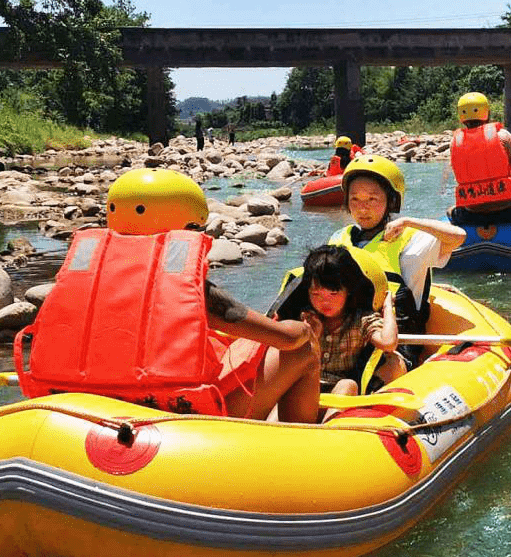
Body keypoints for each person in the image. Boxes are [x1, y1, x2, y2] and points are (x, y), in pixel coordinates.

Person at [18, 169, 321, 424]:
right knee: (302, 352)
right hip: (172, 414)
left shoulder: (80, 278)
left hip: (84, 410)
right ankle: (299, 448)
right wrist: (305, 330)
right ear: (188, 226)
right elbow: (284, 339)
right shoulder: (197, 292)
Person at [329, 155, 465, 367]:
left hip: (396, 343)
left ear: (391, 201)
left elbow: (458, 237)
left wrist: (410, 221)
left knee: (387, 365)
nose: (362, 208)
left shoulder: (409, 238)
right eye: (355, 199)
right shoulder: (339, 238)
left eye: (372, 199)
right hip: (345, 340)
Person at [296, 245, 403, 406]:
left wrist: (388, 307)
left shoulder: (360, 320)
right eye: (316, 294)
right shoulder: (304, 318)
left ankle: (328, 429)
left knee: (348, 384)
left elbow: (388, 343)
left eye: (333, 294)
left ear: (348, 291)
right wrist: (312, 337)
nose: (325, 302)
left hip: (341, 393)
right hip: (307, 388)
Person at [447, 92, 511, 227]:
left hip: (472, 215)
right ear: (487, 113)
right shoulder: (502, 136)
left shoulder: (455, 142)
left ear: (461, 116)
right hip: (508, 212)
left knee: (450, 211)